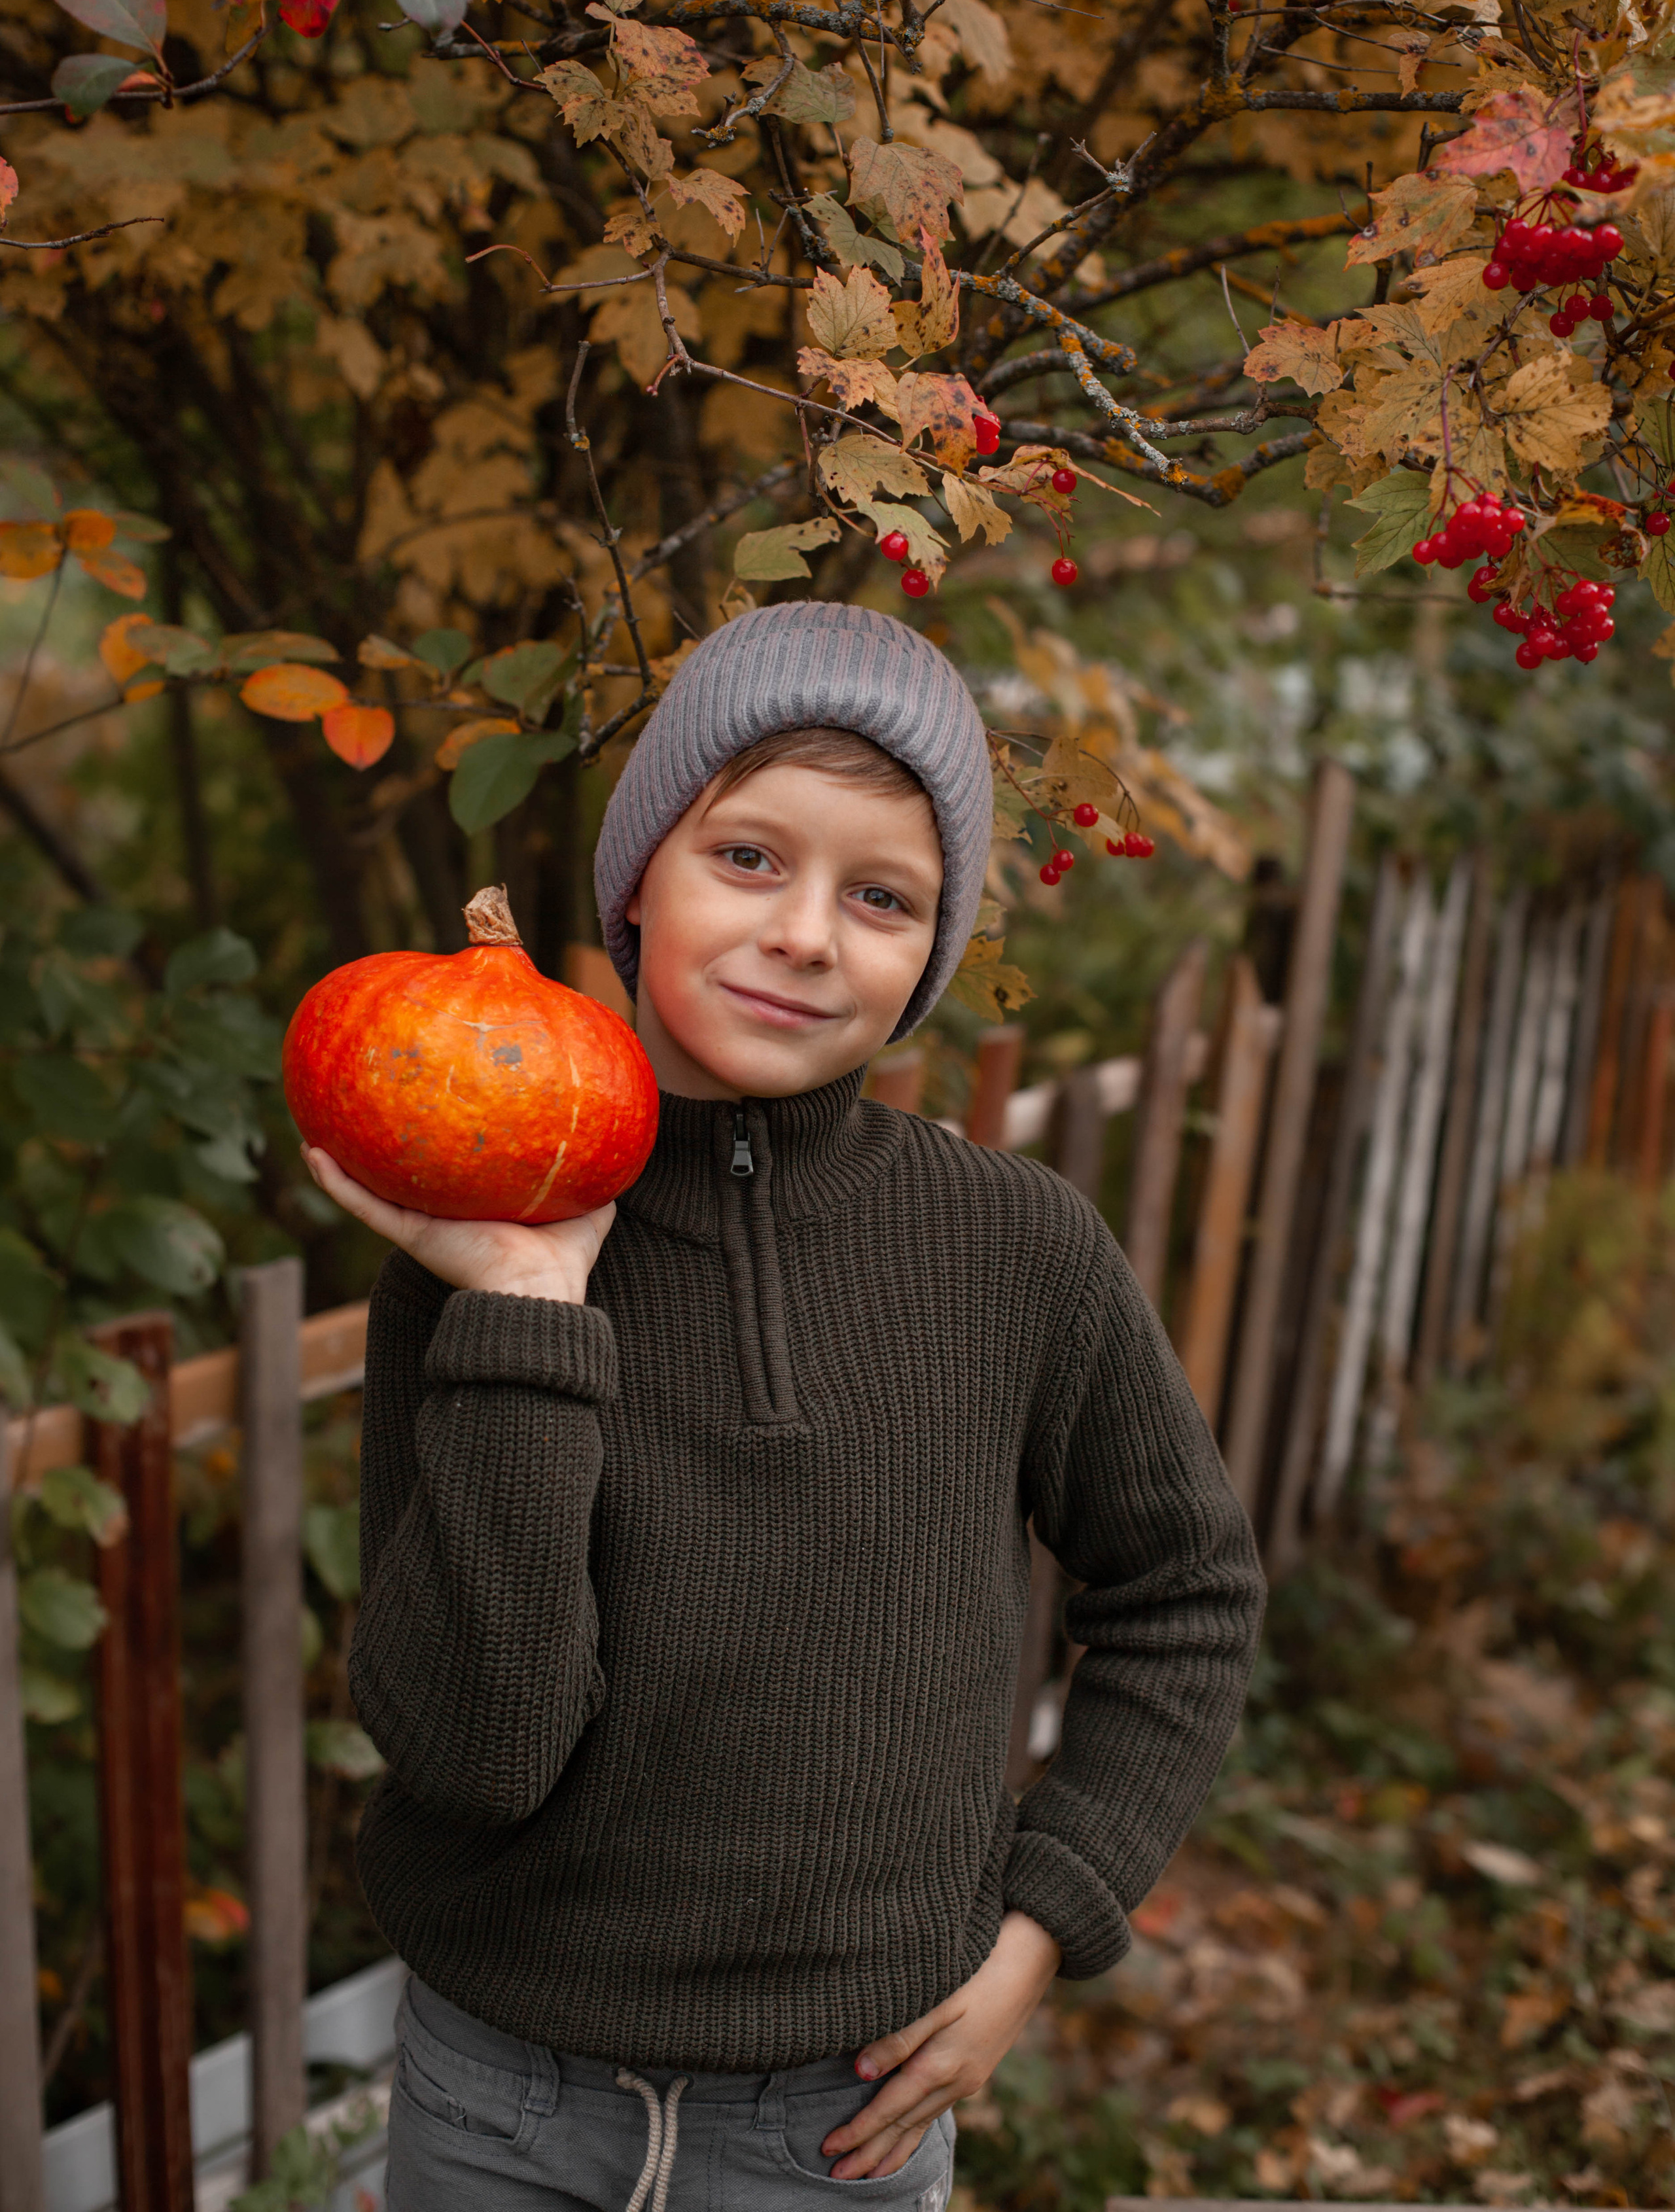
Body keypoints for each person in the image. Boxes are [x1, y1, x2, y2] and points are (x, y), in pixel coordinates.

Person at [303, 599, 1266, 2212]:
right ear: (634, 884)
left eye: (880, 896)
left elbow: (1184, 1592)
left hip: (840, 2119)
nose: (806, 932)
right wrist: (528, 1316)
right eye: (746, 857)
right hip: (502, 2093)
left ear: (930, 957)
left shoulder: (1013, 1249)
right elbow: (470, 1750)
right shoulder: (475, 1264)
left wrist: (1044, 1925)